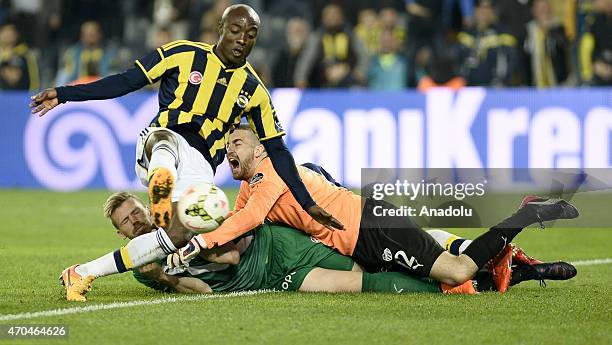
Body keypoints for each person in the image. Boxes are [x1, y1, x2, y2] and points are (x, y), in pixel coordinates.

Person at [29, 4, 343, 301]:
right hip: (166, 139)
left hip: (202, 166)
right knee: (165, 144)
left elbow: (277, 149)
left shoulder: (254, 90)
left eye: (251, 34)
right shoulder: (182, 54)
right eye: (235, 30)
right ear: (220, 28)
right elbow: (125, 82)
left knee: (177, 235)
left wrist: (307, 202)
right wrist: (65, 94)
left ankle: (82, 273)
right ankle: (161, 182)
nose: (242, 39)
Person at [168, 125, 579, 296]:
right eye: (226, 149)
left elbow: (253, 218)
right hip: (357, 245)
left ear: (258, 148)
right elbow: (241, 226)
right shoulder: (246, 189)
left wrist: (201, 240)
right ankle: (524, 272)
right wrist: (189, 238)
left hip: (371, 225)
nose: (229, 151)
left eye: (236, 144)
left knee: (456, 272)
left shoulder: (274, 165)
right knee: (440, 288)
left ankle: (528, 213)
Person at [102, 192, 574, 298]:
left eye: (135, 211)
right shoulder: (149, 270)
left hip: (296, 246)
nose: (136, 220)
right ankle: (524, 270)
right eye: (127, 222)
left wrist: (196, 247)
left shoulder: (187, 217)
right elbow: (203, 289)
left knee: (441, 262)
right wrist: (166, 276)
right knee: (403, 284)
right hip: (275, 279)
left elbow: (233, 245)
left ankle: (522, 220)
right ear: (123, 236)